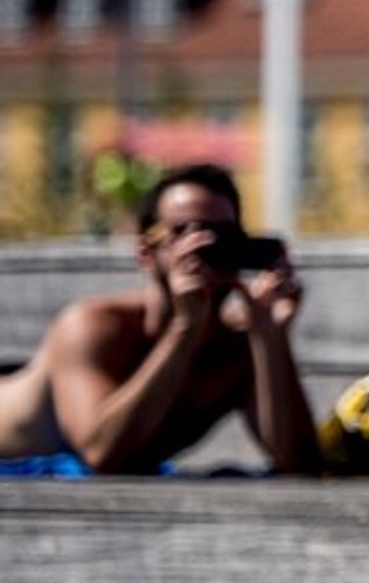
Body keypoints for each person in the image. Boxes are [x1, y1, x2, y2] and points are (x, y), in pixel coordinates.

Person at [0, 163, 318, 476]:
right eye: (185, 232)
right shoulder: (94, 327)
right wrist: (184, 329)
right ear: (145, 252)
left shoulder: (237, 349)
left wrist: (271, 338)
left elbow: (298, 463)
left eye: (223, 234)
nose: (205, 246)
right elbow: (100, 453)